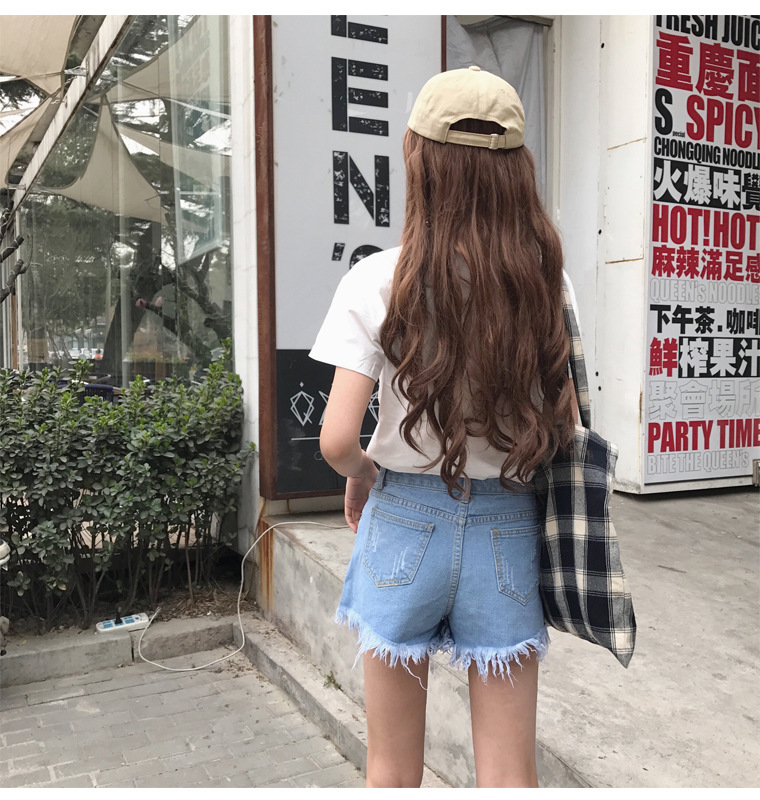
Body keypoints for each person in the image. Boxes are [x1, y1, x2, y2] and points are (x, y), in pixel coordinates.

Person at [309, 66, 580, 788]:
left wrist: (366, 474)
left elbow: (336, 440)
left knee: (391, 770)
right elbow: (567, 422)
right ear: (517, 173)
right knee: (510, 775)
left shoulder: (378, 279)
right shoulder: (547, 284)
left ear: (418, 160)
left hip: (402, 521)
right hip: (507, 529)